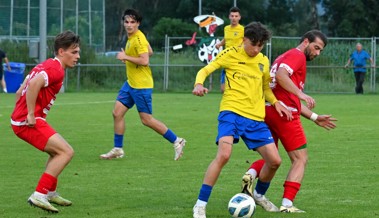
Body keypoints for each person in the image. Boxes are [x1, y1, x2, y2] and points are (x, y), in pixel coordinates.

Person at [192, 22, 293, 218]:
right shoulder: (230, 53)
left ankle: (258, 195)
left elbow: (265, 88)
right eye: (252, 44)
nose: (256, 49)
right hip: (231, 112)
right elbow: (205, 70)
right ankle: (200, 204)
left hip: (255, 118)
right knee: (224, 155)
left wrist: (276, 102)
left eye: (260, 45)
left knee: (274, 161)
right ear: (244, 39)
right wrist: (198, 84)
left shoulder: (263, 61)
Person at [241, 30, 337, 213]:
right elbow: (281, 76)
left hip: (269, 109)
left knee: (272, 158)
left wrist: (315, 117)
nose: (317, 53)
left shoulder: (283, 56)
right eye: (316, 48)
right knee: (300, 158)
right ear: (306, 41)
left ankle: (252, 177)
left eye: (320, 51)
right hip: (284, 114)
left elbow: (284, 92)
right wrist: (301, 94)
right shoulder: (297, 55)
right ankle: (287, 204)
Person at [99, 9, 186, 160]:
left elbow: (145, 60)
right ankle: (118, 149)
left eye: (133, 22)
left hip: (141, 85)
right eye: (126, 22)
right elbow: (150, 51)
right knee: (117, 113)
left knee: (146, 120)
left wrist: (126, 56)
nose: (129, 25)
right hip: (130, 83)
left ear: (138, 23)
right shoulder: (133, 38)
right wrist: (129, 57)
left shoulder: (138, 39)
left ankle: (177, 141)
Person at [10, 30, 80, 213]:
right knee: (66, 152)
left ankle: (50, 192)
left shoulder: (46, 65)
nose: (78, 56)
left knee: (56, 152)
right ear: (61, 52)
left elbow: (22, 88)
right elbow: (33, 85)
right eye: (74, 52)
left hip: (22, 119)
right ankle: (39, 194)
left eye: (78, 52)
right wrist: (31, 114)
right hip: (27, 121)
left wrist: (24, 109)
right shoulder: (55, 69)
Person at [215, 7, 244, 93]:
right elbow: (226, 39)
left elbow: (245, 42)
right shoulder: (226, 28)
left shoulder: (242, 29)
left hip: (237, 60)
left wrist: (240, 49)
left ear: (239, 17)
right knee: (223, 89)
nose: (234, 18)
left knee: (236, 86)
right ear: (229, 17)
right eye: (232, 16)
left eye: (236, 16)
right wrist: (220, 44)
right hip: (227, 59)